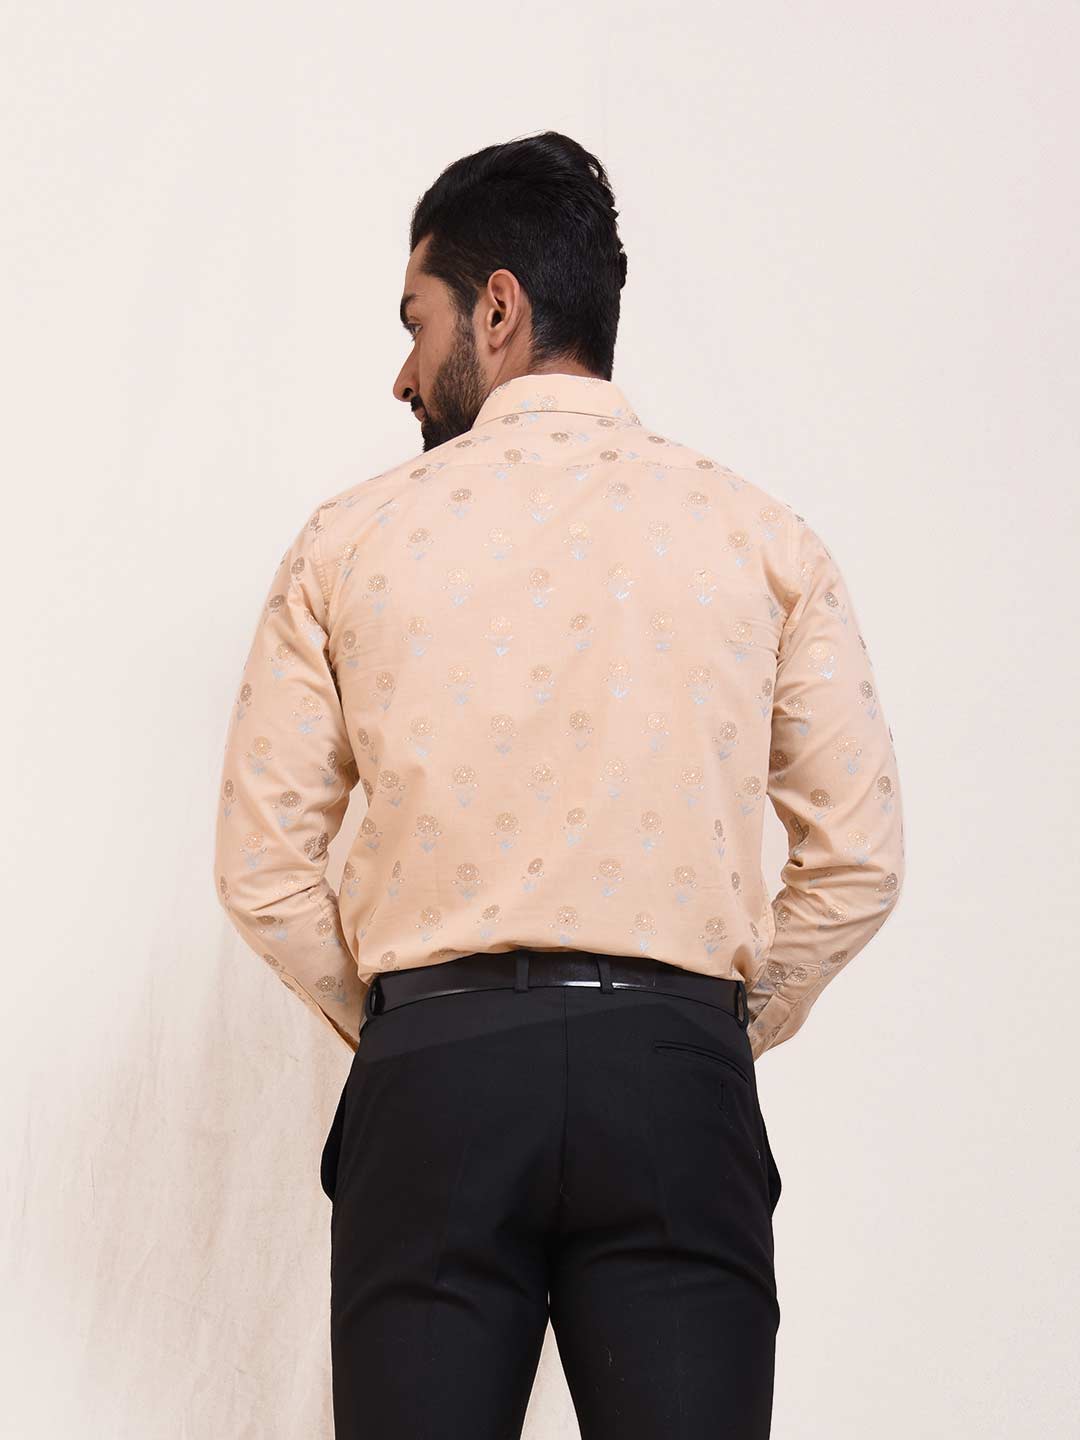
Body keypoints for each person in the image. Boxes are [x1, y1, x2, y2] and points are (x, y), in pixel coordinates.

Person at [212, 129, 905, 1439]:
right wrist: (714, 1025)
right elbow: (858, 857)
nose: (402, 372)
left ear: (499, 309)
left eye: (415, 323)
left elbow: (262, 864)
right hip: (675, 1078)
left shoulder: (350, 541)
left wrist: (407, 1022)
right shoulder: (762, 539)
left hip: (437, 1082)